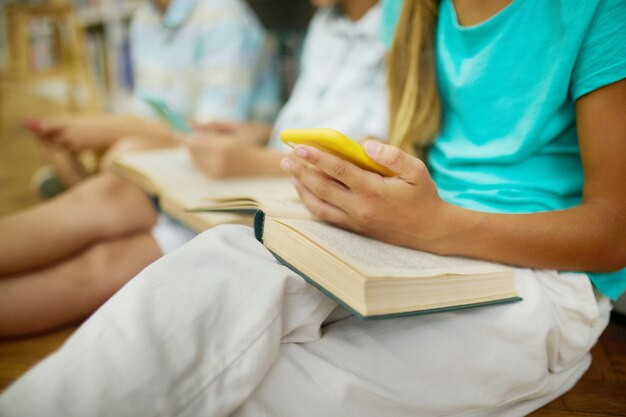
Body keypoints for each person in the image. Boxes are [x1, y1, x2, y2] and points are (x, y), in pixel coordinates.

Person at [2, 0, 625, 415]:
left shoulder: (598, 11)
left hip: (538, 276)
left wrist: (435, 227)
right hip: (420, 244)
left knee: (278, 391)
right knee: (225, 258)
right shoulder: (414, 16)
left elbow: (613, 232)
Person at [0, 0, 387, 337]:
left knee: (108, 262)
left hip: (292, 201)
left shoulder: (403, 31)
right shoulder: (325, 26)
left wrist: (250, 159)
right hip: (260, 176)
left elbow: (368, 155)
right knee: (106, 195)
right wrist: (254, 133)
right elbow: (309, 124)